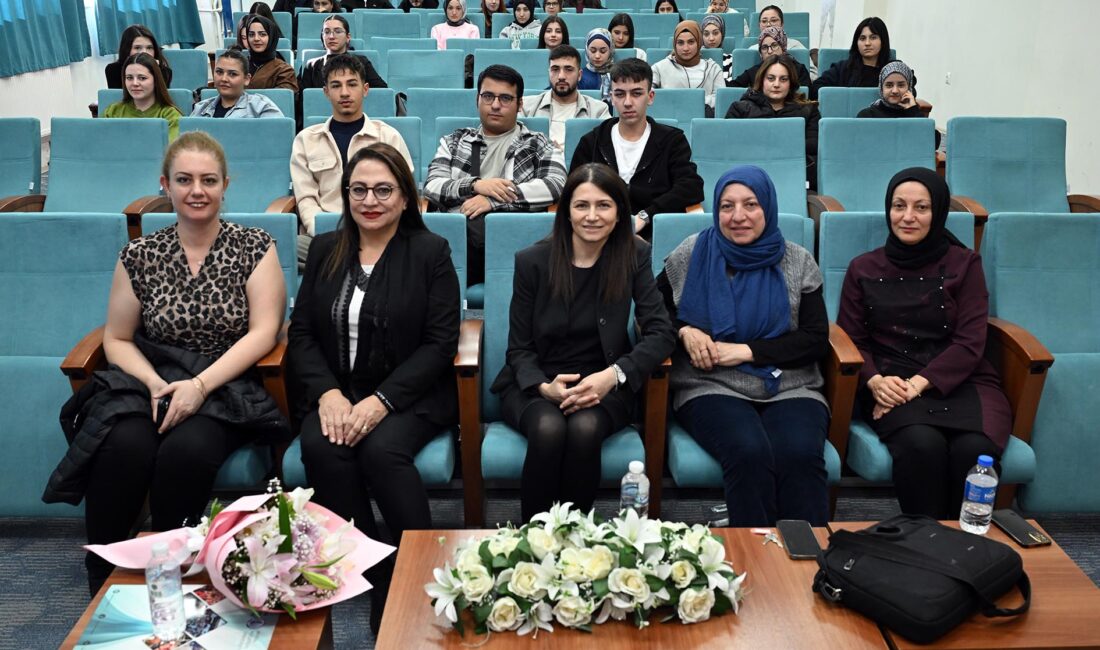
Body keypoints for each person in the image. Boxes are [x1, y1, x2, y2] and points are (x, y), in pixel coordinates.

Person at [56, 132, 287, 595]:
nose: (196, 190)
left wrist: (199, 386)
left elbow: (264, 332)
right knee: (120, 447)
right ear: (166, 184)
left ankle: (171, 572)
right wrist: (153, 383)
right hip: (151, 381)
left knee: (186, 452)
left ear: (225, 186)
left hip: (224, 385)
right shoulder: (140, 255)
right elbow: (117, 338)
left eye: (207, 180)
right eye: (184, 180)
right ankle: (103, 575)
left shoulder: (255, 247)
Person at [289, 142, 459, 634]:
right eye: (358, 189)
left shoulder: (430, 252)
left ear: (406, 198)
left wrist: (382, 401)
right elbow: (300, 335)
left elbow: (440, 342)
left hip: (411, 392)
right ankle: (378, 569)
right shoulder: (326, 248)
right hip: (337, 392)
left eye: (384, 190)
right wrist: (328, 394)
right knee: (323, 448)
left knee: (382, 452)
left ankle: (420, 572)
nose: (370, 200)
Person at [490, 163, 676, 520]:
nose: (592, 216)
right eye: (581, 205)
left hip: (605, 383)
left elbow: (661, 331)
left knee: (584, 428)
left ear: (620, 211)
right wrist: (544, 387)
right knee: (548, 428)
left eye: (603, 205)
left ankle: (576, 536)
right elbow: (518, 347)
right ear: (566, 212)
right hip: (536, 383)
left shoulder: (633, 254)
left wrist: (614, 375)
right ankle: (535, 539)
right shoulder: (533, 261)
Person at [658, 165, 830, 527]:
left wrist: (748, 351)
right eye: (726, 206)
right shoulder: (692, 253)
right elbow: (651, 315)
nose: (738, 216)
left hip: (791, 385)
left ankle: (807, 562)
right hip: (709, 384)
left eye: (750, 204)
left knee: (798, 454)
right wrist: (684, 330)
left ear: (768, 206)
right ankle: (756, 556)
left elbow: (814, 338)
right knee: (748, 451)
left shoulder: (797, 259)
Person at [836, 168, 1010, 520]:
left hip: (961, 380)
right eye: (899, 206)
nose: (908, 217)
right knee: (921, 445)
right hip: (891, 380)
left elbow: (970, 341)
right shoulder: (863, 268)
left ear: (939, 212)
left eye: (921, 207)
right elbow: (852, 338)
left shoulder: (965, 264)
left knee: (974, 451)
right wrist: (874, 381)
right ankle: (926, 543)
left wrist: (916, 386)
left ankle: (967, 548)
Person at [424, 64, 567, 286]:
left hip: (513, 243)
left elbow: (555, 185)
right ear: (477, 99)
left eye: (506, 98)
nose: (496, 105)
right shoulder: (454, 141)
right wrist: (475, 186)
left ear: (520, 104)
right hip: (458, 243)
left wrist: (492, 200)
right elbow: (432, 186)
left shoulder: (538, 144)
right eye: (488, 96)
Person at [291, 54, 414, 263]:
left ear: (365, 89)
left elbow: (404, 191)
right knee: (279, 249)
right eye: (336, 86)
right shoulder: (306, 140)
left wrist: (374, 230)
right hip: (325, 236)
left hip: (380, 233)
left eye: (352, 84)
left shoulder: (387, 136)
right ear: (326, 92)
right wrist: (327, 233)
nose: (345, 93)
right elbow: (306, 198)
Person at [570, 58, 703, 240]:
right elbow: (574, 190)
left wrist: (646, 215)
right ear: (611, 97)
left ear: (650, 97)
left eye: (636, 93)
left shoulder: (672, 141)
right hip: (598, 234)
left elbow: (690, 187)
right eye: (620, 94)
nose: (627, 102)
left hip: (653, 234)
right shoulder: (592, 141)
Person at [725, 54, 819, 188]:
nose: (776, 84)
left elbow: (814, 145)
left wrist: (764, 142)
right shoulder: (740, 109)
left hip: (793, 178)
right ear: (761, 80)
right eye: (771, 78)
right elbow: (730, 149)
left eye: (783, 79)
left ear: (790, 82)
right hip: (748, 180)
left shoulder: (808, 110)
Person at [523, 44, 610, 154]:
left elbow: (606, 150)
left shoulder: (599, 111)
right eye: (555, 69)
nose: (561, 76)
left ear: (579, 75)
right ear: (549, 73)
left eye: (568, 69)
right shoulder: (526, 107)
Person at [857, 60, 940, 148]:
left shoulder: (913, 114)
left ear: (909, 88)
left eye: (901, 85)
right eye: (889, 85)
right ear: (881, 88)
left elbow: (934, 143)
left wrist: (913, 110)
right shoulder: (867, 115)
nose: (895, 91)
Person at [103, 53, 184, 141]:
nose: (135, 83)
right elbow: (98, 143)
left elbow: (171, 151)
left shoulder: (170, 115)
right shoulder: (112, 111)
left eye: (142, 78)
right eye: (129, 78)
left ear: (156, 80)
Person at [651, 20, 723, 116]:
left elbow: (721, 100)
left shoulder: (713, 68)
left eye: (691, 42)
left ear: (699, 42)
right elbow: (648, 94)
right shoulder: (659, 68)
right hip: (669, 121)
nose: (686, 48)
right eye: (680, 43)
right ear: (674, 45)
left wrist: (682, 100)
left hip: (704, 121)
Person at [298, 15, 387, 91]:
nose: (331, 36)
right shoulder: (311, 65)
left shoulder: (361, 62)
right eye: (327, 32)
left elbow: (381, 92)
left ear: (348, 37)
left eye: (338, 31)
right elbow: (304, 100)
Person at [811, 16, 889, 100]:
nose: (867, 43)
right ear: (856, 43)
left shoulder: (891, 70)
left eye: (873, 37)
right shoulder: (843, 68)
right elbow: (816, 89)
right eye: (862, 38)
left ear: (883, 40)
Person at [191, 49, 284, 118]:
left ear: (247, 79)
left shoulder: (260, 107)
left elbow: (278, 138)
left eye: (232, 74)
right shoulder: (201, 109)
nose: (224, 79)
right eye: (219, 72)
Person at [729, 26, 811, 89]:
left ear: (783, 47)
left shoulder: (798, 70)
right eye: (764, 47)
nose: (769, 51)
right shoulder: (754, 71)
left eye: (774, 45)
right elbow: (733, 88)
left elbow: (807, 96)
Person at [750, 5, 816, 79]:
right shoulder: (752, 49)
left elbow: (813, 74)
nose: (768, 25)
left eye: (774, 20)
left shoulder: (796, 46)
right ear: (759, 26)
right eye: (764, 21)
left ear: (782, 24)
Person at [105, 25, 173, 89]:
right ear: (126, 49)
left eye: (149, 48)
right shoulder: (114, 69)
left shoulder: (164, 71)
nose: (144, 52)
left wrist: (156, 71)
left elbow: (162, 99)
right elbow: (118, 98)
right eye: (137, 48)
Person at [242, 15, 298, 91]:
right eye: (251, 35)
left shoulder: (283, 70)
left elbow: (283, 98)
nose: (256, 39)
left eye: (262, 34)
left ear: (272, 37)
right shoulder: (239, 65)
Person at [580, 28, 615, 101]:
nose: (597, 56)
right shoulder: (580, 76)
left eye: (603, 51)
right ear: (587, 50)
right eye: (593, 51)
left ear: (610, 51)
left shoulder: (618, 75)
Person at [699, 15, 730, 85]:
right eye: (706, 34)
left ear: (722, 34)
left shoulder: (731, 60)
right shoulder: (695, 59)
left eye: (715, 33)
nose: (711, 38)